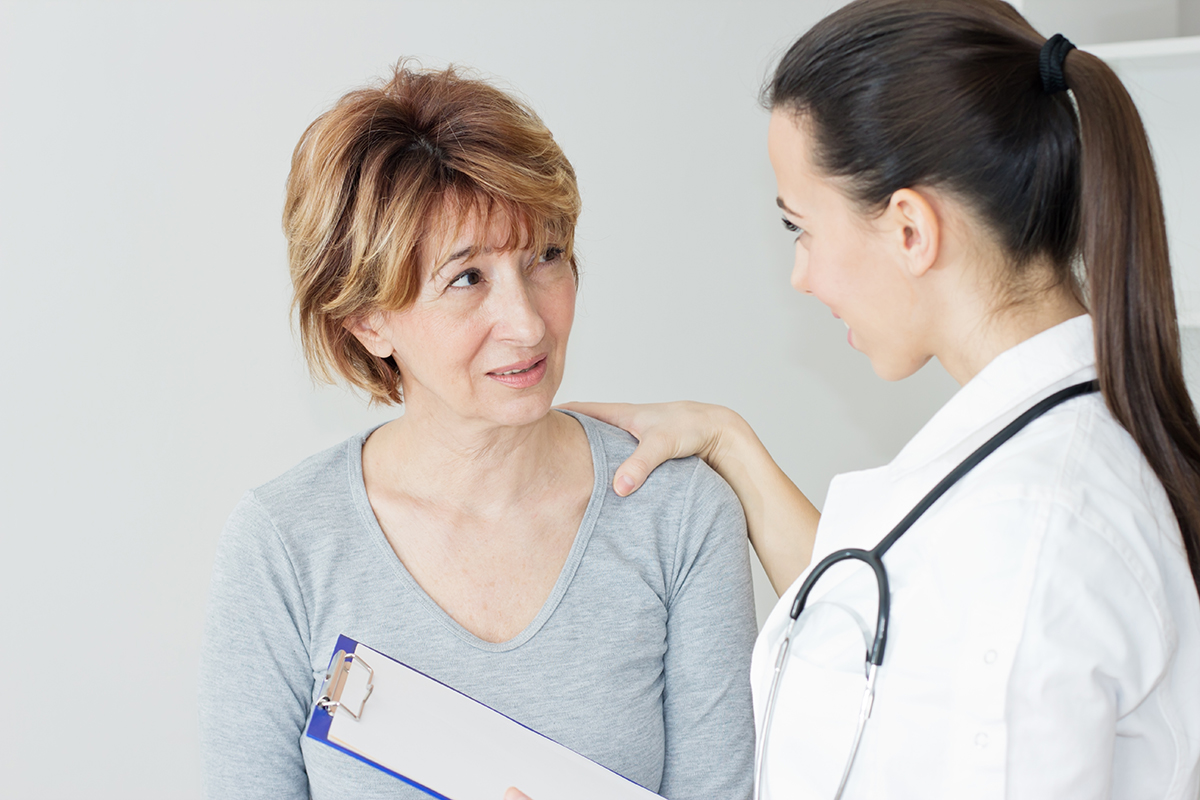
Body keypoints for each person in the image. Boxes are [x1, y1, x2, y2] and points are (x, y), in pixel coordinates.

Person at [557, 0, 1200, 797]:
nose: (801, 274)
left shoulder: (1030, 530)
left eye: (800, 226)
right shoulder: (1034, 453)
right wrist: (729, 443)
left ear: (909, 230)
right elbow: (889, 628)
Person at [197, 64, 757, 800]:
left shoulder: (678, 516)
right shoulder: (283, 544)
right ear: (367, 319)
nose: (528, 324)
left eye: (545, 258)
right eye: (467, 279)